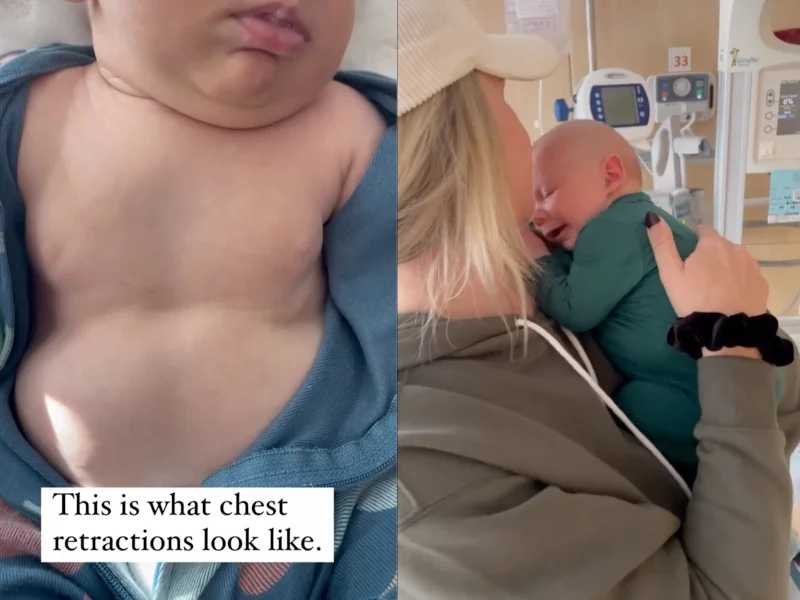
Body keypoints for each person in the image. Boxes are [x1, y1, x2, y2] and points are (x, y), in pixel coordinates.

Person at [397, 0, 800, 598]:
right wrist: (732, 348)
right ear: (460, 143)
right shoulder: (432, 484)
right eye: (505, 101)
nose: (526, 134)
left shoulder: (529, 272)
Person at [0, 0, 397, 598]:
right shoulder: (31, 111)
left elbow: (413, 319)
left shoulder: (346, 128)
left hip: (298, 521)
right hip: (56, 532)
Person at [528, 119, 791, 486]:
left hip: (700, 400)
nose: (536, 213)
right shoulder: (637, 221)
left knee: (633, 403)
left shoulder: (609, 229)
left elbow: (574, 307)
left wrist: (533, 254)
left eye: (547, 193)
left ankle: (691, 477)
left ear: (611, 175)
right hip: (748, 383)